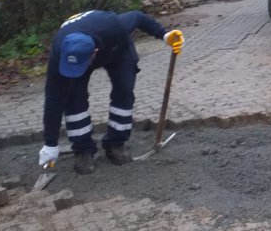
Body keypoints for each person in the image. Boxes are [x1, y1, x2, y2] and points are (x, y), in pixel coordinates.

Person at [37, 10, 184, 174]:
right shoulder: (60, 53)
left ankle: (116, 143)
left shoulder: (114, 26)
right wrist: (50, 144)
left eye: (80, 67)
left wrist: (164, 35)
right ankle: (83, 149)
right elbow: (53, 99)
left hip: (117, 49)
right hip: (83, 49)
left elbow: (137, 17)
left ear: (94, 54)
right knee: (73, 99)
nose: (76, 72)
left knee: (124, 90)